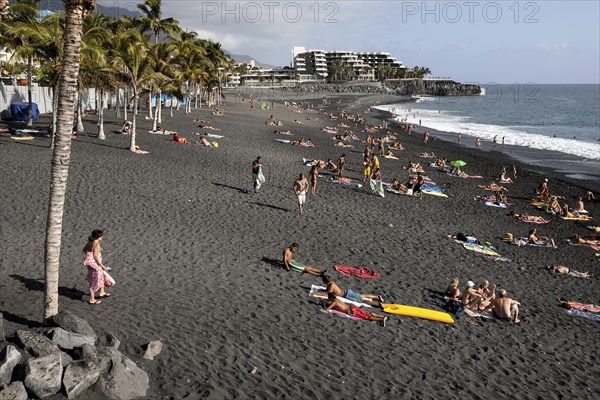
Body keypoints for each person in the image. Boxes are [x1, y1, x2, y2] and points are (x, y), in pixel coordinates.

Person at [321, 293, 387, 326]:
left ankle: (380, 319)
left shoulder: (333, 302)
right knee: (367, 313)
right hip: (352, 307)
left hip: (351, 311)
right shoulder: (336, 299)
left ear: (331, 298)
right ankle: (382, 316)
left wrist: (324, 304)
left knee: (366, 317)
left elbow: (326, 309)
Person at [83, 230, 110, 305]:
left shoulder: (90, 242)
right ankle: (92, 300)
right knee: (95, 281)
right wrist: (102, 265)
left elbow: (84, 250)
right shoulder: (96, 244)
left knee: (100, 276)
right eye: (101, 235)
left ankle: (102, 292)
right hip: (96, 264)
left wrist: (89, 257)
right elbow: (95, 256)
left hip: (91, 264)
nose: (102, 237)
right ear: (99, 237)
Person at [320, 275, 384, 306]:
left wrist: (317, 293)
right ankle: (377, 297)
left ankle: (378, 304)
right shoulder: (331, 283)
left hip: (347, 294)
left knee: (362, 300)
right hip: (346, 291)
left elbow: (328, 293)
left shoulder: (331, 285)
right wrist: (320, 291)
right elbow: (326, 290)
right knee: (361, 296)